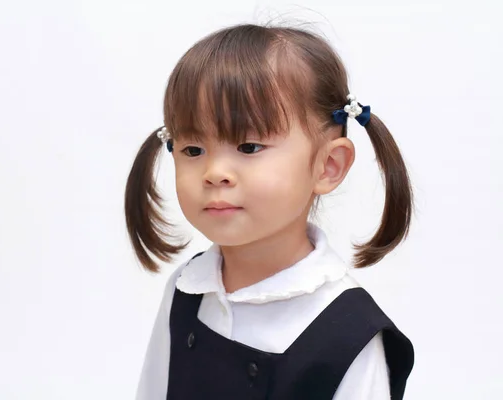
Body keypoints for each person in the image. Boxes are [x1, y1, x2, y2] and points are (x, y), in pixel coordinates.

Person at [125, 23, 415, 400]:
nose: (214, 173)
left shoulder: (348, 334)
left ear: (328, 166)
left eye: (248, 147)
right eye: (193, 150)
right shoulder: (186, 292)